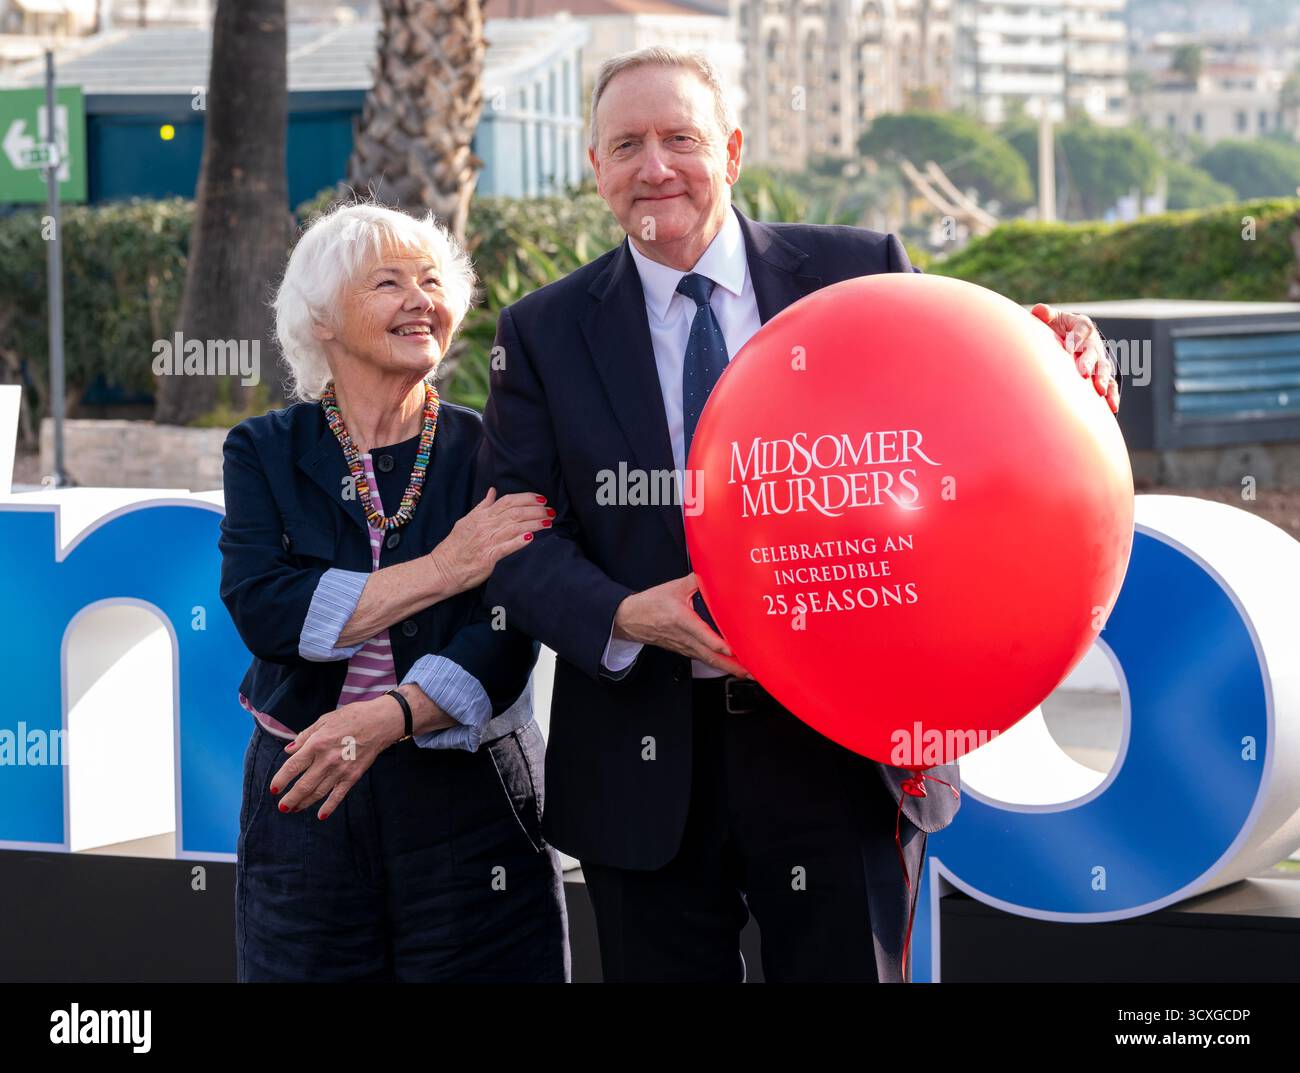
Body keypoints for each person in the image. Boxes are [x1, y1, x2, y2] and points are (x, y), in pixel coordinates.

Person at [477, 47, 1121, 982]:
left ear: (732, 150)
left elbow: (974, 397)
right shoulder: (539, 332)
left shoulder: (859, 272)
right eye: (627, 144)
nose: (654, 167)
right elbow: (517, 538)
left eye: (680, 139)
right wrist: (626, 616)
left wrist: (1057, 344)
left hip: (836, 753)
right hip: (641, 762)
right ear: (596, 170)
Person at [218, 202, 569, 982]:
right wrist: (444, 570)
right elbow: (264, 608)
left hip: (469, 798)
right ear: (323, 322)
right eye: (388, 282)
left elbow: (509, 626)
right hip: (304, 789)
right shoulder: (263, 451)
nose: (421, 299)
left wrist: (387, 718)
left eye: (433, 281)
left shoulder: (494, 448)